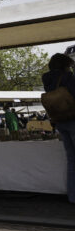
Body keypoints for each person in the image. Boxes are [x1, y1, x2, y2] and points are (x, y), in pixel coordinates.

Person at [42, 53, 75, 204]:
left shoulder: (47, 79)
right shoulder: (68, 77)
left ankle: (73, 196)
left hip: (60, 121)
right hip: (73, 118)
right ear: (65, 65)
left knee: (71, 160)